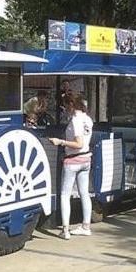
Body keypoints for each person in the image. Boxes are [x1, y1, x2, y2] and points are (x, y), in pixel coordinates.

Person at [48, 93, 94, 240]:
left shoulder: (75, 120)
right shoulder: (87, 119)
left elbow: (78, 143)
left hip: (72, 160)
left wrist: (60, 142)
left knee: (65, 195)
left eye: (66, 105)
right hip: (86, 159)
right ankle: (86, 226)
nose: (65, 108)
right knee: (84, 193)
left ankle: (65, 230)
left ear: (71, 105)